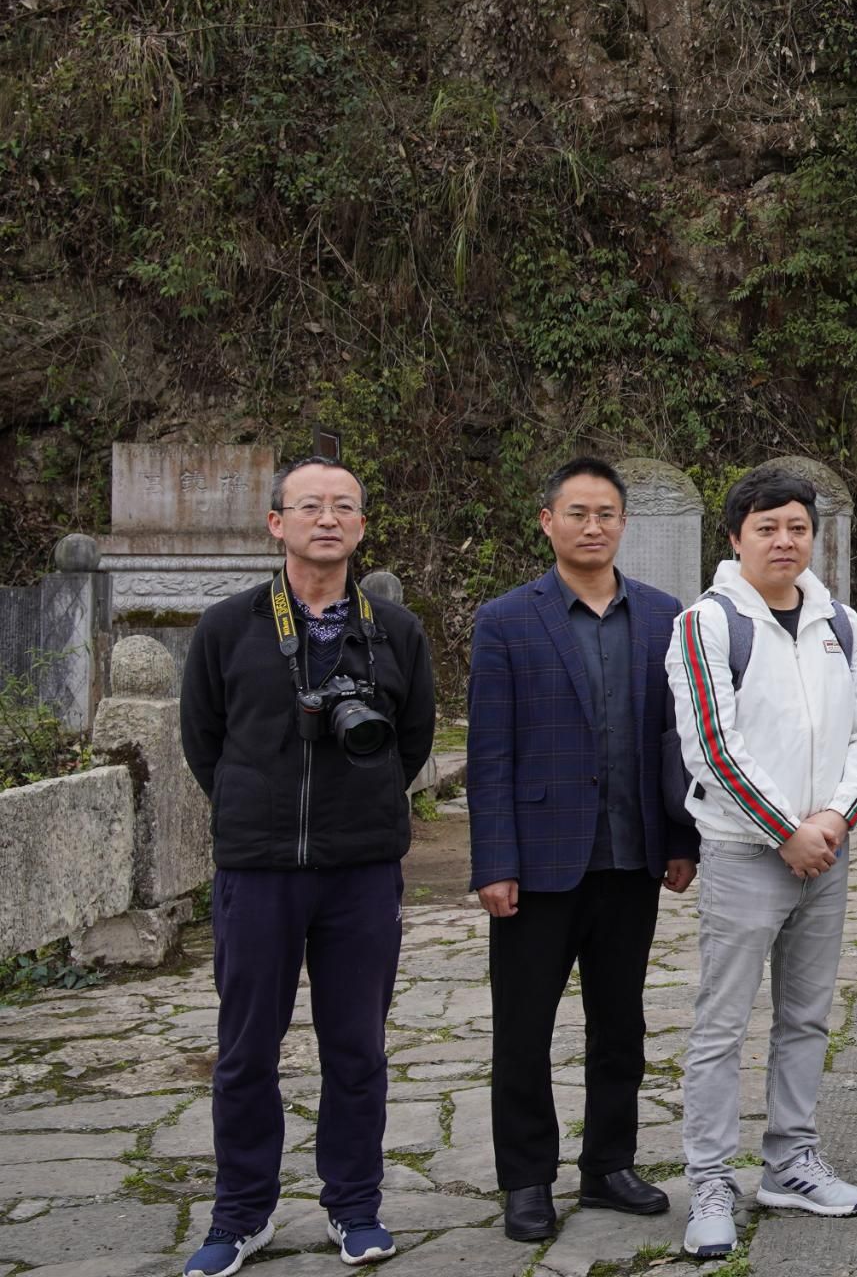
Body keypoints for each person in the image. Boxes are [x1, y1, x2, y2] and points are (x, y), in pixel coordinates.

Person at [178, 456, 437, 1277]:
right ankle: (239, 1215)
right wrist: (257, 808)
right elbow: (203, 741)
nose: (328, 519)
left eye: (344, 507)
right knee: (246, 1050)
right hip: (257, 870)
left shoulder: (395, 630)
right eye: (310, 506)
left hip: (361, 871)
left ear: (362, 526)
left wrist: (360, 811)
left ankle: (354, 1206)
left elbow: (412, 741)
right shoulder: (228, 627)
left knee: (356, 1047)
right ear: (276, 523)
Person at [468, 457, 697, 1242]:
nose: (592, 526)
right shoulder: (506, 620)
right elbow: (490, 752)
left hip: (632, 856)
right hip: (539, 863)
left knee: (621, 1023)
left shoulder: (664, 616)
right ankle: (528, 1178)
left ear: (623, 523)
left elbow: (675, 741)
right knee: (523, 1028)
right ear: (547, 522)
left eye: (606, 513)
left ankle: (608, 1164)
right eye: (577, 513)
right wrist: (495, 861)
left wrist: (680, 839)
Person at [668, 469, 857, 1260]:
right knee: (722, 1025)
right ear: (736, 538)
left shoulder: (841, 623)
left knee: (806, 1017)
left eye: (797, 527)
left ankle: (791, 1162)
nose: (784, 541)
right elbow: (712, 747)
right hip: (744, 853)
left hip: (825, 851)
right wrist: (786, 831)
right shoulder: (708, 624)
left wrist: (831, 820)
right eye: (767, 528)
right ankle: (710, 1180)